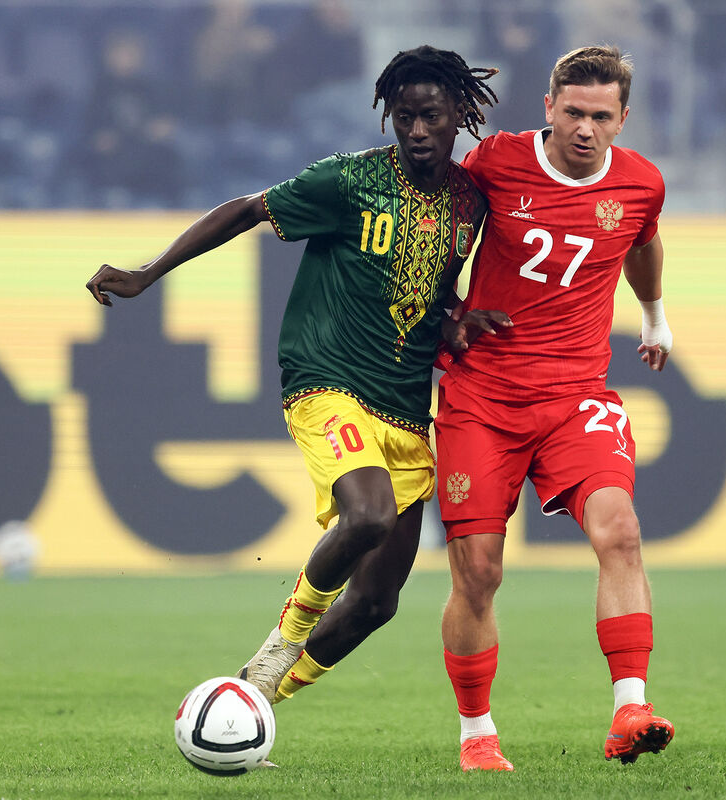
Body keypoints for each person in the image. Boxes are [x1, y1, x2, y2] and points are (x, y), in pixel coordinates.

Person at [85, 46, 504, 708]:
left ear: (460, 114)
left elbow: (432, 285)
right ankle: (281, 644)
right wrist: (148, 272)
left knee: (377, 603)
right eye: (404, 117)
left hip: (403, 405)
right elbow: (247, 209)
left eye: (431, 116)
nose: (418, 130)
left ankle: (254, 699)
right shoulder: (348, 180)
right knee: (367, 516)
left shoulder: (468, 203)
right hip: (327, 380)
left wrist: (454, 319)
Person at [435, 45, 675, 771]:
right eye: (573, 112)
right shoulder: (496, 164)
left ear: (623, 118)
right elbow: (441, 238)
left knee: (621, 531)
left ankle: (630, 708)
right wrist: (442, 313)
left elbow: (643, 242)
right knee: (479, 572)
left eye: (601, 116)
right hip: (482, 397)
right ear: (548, 106)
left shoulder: (641, 184)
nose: (585, 129)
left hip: (576, 397)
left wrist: (654, 317)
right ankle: (477, 734)